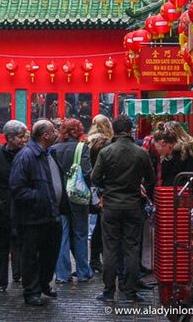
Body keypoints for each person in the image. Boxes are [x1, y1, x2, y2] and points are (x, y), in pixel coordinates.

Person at [91, 115, 155, 304]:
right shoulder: (141, 152)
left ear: (115, 130)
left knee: (110, 248)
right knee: (131, 248)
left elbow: (95, 177)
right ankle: (131, 290)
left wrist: (106, 188)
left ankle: (109, 291)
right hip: (133, 205)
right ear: (130, 130)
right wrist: (140, 186)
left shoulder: (106, 152)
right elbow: (150, 178)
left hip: (111, 205)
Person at [10, 119, 70, 307]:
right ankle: (32, 291)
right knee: (31, 256)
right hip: (33, 217)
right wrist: (39, 197)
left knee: (49, 254)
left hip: (52, 214)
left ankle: (44, 283)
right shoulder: (26, 156)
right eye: (54, 131)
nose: (57, 133)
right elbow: (17, 188)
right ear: (45, 135)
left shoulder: (50, 153)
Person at [0, 119, 27, 292]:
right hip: (3, 208)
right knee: (2, 245)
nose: (23, 140)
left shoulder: (26, 154)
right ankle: (1, 281)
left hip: (22, 206)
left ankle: (20, 274)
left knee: (22, 243)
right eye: (19, 137)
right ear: (9, 137)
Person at [52, 118, 93, 283]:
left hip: (59, 197)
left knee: (62, 236)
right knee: (81, 235)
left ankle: (62, 274)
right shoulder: (82, 148)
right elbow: (87, 172)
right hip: (78, 198)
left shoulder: (53, 148)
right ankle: (83, 272)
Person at [87, 114, 113, 273]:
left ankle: (94, 258)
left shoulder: (88, 142)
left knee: (96, 223)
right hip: (103, 187)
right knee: (102, 224)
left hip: (90, 187)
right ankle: (99, 257)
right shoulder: (105, 143)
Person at [160, 121, 193, 185]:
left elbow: (164, 172)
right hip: (187, 184)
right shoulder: (192, 145)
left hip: (171, 185)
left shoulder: (171, 148)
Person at [142, 122, 178, 187]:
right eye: (170, 148)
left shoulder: (156, 155)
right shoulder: (139, 147)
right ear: (163, 142)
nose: (170, 152)